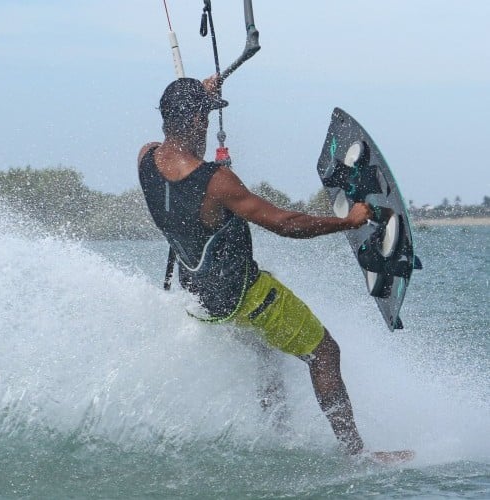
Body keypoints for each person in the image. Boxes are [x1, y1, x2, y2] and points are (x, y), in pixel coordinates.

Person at [138, 76, 403, 460]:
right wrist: (348, 221)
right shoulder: (216, 182)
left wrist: (201, 94)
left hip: (198, 294)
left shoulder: (145, 157)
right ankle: (358, 454)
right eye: (205, 117)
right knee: (324, 352)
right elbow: (284, 223)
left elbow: (178, 156)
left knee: (265, 349)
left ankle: (276, 429)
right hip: (241, 296)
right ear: (197, 120)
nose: (207, 124)